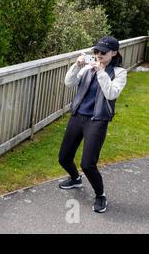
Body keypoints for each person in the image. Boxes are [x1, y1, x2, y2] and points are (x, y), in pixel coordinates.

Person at [58, 36, 127, 213]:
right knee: (64, 158)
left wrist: (101, 71)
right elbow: (69, 83)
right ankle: (75, 179)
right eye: (96, 51)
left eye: (103, 52)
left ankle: (100, 195)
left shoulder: (120, 73)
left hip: (97, 121)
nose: (98, 55)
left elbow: (111, 94)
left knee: (88, 164)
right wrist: (77, 66)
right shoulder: (88, 68)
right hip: (78, 116)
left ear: (113, 53)